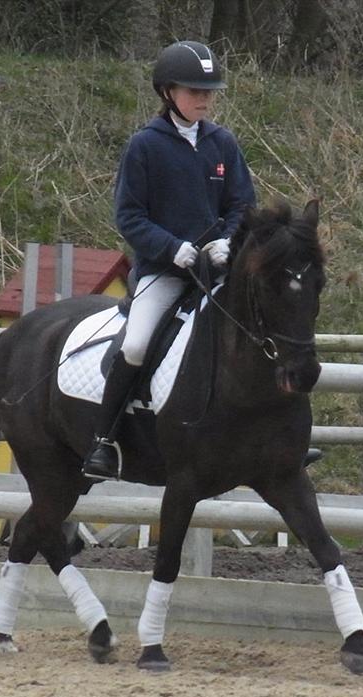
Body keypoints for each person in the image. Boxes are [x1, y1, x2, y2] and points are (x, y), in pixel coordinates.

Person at [82, 40, 257, 482]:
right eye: (193, 90)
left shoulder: (223, 143)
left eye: (209, 91)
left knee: (260, 329)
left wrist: (230, 241)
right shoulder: (145, 145)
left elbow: (242, 204)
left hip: (217, 269)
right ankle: (103, 441)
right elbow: (130, 216)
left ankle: (272, 438)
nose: (203, 99)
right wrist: (170, 247)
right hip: (164, 271)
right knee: (137, 343)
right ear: (167, 92)